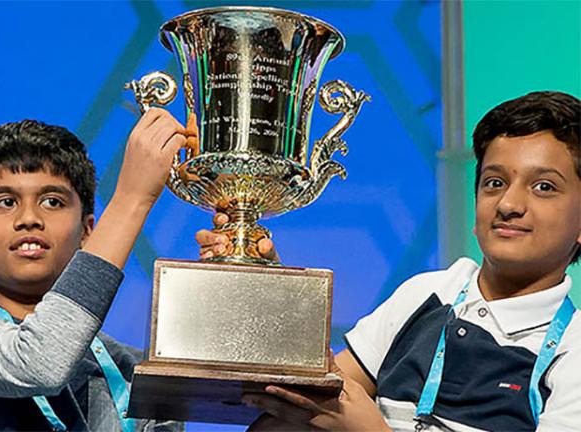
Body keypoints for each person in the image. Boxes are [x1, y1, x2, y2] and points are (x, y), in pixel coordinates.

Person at [196, 91, 581, 431]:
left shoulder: (572, 351)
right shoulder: (429, 293)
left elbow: (349, 417)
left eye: (543, 187)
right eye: (494, 182)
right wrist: (263, 283)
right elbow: (308, 399)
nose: (509, 205)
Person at [0, 110, 195, 430]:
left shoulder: (138, 373)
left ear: (87, 231)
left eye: (52, 201)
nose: (28, 218)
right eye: (5, 202)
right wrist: (131, 199)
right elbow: (41, 362)